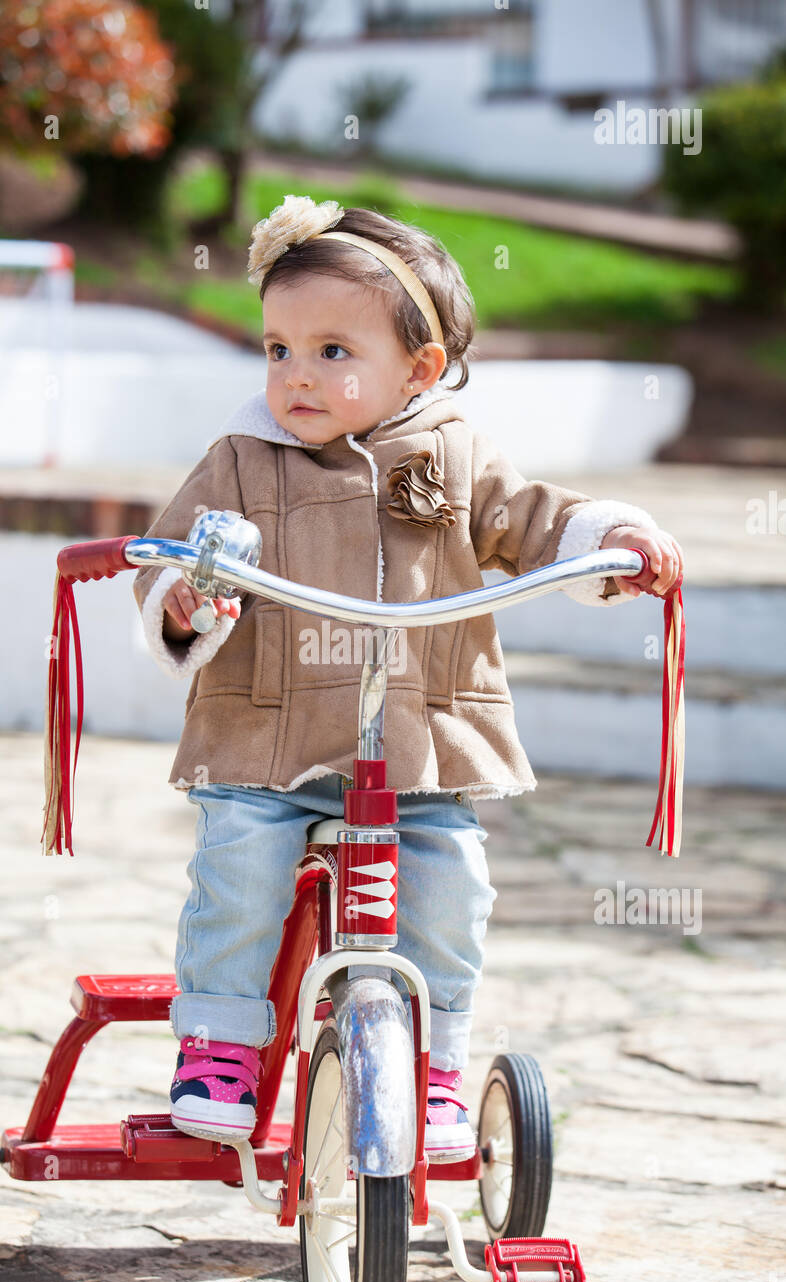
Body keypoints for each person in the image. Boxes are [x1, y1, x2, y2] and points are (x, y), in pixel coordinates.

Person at [132, 195, 684, 1162]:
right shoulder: (242, 455)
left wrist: (607, 540)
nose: (296, 376)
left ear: (419, 368)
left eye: (333, 353)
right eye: (277, 349)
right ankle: (219, 1043)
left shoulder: (454, 453)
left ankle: (434, 1059)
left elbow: (530, 518)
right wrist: (183, 595)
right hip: (270, 737)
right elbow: (174, 551)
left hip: (418, 743)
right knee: (241, 868)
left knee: (451, 886)